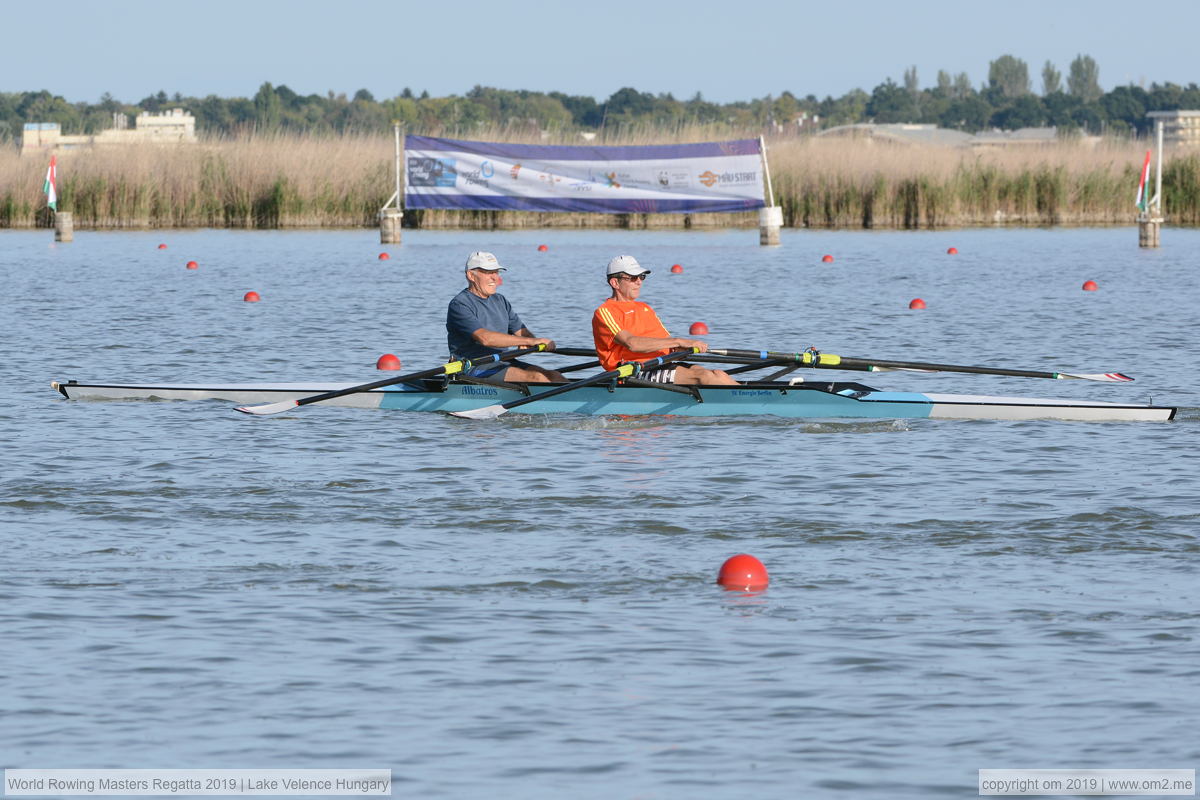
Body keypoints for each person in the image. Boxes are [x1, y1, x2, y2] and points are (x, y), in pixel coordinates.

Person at [592, 255, 737, 386]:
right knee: (704, 377)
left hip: (660, 364)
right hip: (632, 371)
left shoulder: (645, 308)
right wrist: (679, 341)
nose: (639, 282)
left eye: (641, 277)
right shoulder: (606, 311)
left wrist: (683, 349)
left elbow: (666, 343)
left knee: (719, 374)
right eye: (632, 278)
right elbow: (632, 343)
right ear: (615, 283)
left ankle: (750, 397)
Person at [446, 251, 564, 382]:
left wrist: (534, 340)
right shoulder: (460, 305)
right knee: (537, 378)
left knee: (554, 376)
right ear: (471, 276)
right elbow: (485, 338)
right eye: (488, 272)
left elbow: (523, 334)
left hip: (503, 361)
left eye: (496, 272)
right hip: (472, 367)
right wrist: (529, 342)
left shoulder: (500, 301)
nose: (495, 278)